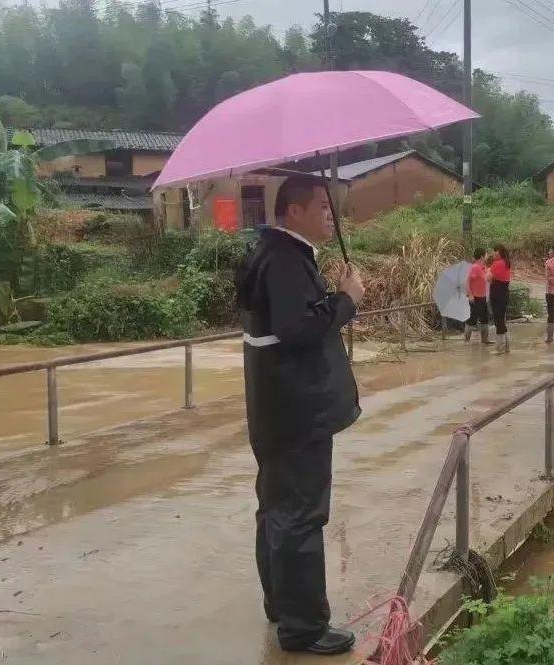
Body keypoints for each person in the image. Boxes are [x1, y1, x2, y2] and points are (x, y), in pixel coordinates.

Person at [235, 176, 365, 655]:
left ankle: (282, 603)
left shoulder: (267, 252)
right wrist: (346, 299)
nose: (330, 215)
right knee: (300, 513)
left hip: (273, 410)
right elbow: (299, 330)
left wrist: (331, 297)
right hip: (295, 412)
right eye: (322, 207)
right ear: (294, 212)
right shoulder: (287, 260)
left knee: (276, 508)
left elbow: (288, 322)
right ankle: (304, 627)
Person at [487, 244, 512, 354]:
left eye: (495, 251)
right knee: (501, 320)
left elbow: (488, 278)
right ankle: (506, 346)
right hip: (504, 294)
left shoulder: (497, 264)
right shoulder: (506, 263)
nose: (493, 253)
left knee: (498, 320)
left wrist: (488, 269)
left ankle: (500, 348)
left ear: (499, 252)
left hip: (496, 295)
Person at [464, 248, 491, 344]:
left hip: (482, 297)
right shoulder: (475, 267)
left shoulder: (483, 267)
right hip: (475, 297)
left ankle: (485, 339)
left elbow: (486, 279)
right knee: (473, 318)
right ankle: (466, 340)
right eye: (486, 254)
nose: (488, 255)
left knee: (485, 317)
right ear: (482, 256)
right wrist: (470, 295)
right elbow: (467, 282)